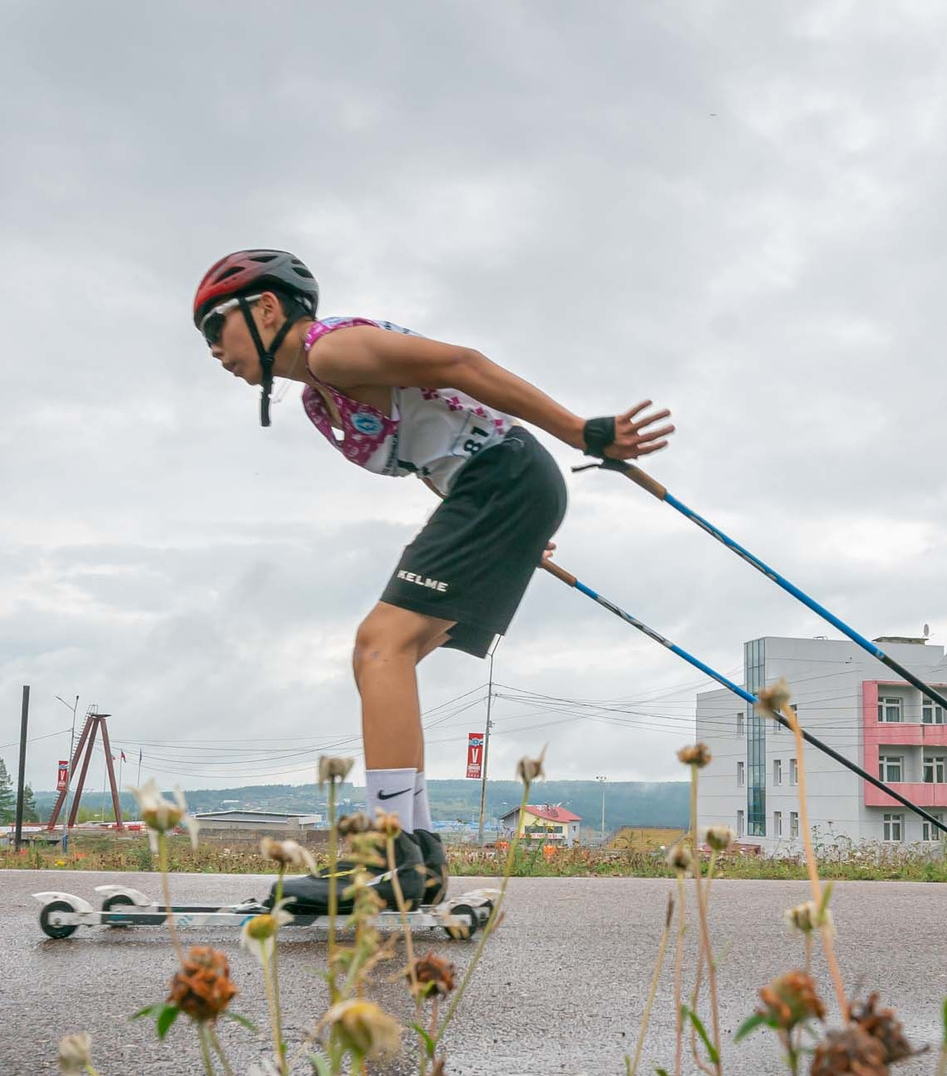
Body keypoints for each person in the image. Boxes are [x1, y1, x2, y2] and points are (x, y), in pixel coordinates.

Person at [192, 248, 671, 908]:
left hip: (503, 474)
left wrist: (581, 432)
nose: (213, 348)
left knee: (379, 644)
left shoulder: (333, 350)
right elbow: (433, 450)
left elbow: (461, 366)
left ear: (267, 308)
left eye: (215, 325)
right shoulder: (319, 400)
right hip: (488, 490)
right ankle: (416, 853)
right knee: (387, 655)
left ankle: (386, 853)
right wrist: (510, 536)